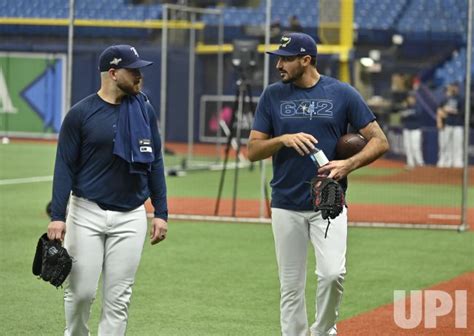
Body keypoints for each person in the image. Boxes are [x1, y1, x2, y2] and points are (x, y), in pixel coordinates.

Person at [247, 32, 389, 336]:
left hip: (329, 202)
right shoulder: (272, 96)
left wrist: (348, 164)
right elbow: (252, 151)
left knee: (332, 274)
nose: (279, 65)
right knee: (291, 286)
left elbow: (380, 141)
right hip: (285, 203)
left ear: (306, 60)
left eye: (285, 59)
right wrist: (283, 139)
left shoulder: (343, 94)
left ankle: (323, 330)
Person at [47, 44, 168, 336]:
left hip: (130, 216)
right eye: (133, 70)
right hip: (86, 212)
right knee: (81, 293)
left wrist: (161, 212)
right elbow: (64, 166)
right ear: (113, 73)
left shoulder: (144, 111)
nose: (139, 76)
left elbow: (156, 161)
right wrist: (57, 215)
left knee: (118, 299)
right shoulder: (80, 114)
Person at [436, 82, 464, 168]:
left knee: (457, 144)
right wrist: (441, 117)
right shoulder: (446, 99)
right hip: (448, 124)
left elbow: (462, 112)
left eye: (455, 87)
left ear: (458, 88)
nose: (454, 88)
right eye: (453, 87)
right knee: (446, 144)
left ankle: (458, 162)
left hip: (458, 125)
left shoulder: (461, 99)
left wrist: (451, 110)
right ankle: (447, 161)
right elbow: (439, 109)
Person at [399, 91, 424, 169]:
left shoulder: (418, 106)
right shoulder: (405, 107)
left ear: (414, 98)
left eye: (412, 97)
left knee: (415, 147)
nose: (410, 99)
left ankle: (420, 163)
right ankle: (410, 163)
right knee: (407, 147)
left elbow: (417, 115)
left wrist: (407, 114)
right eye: (409, 98)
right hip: (407, 129)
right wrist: (406, 113)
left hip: (416, 129)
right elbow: (401, 118)